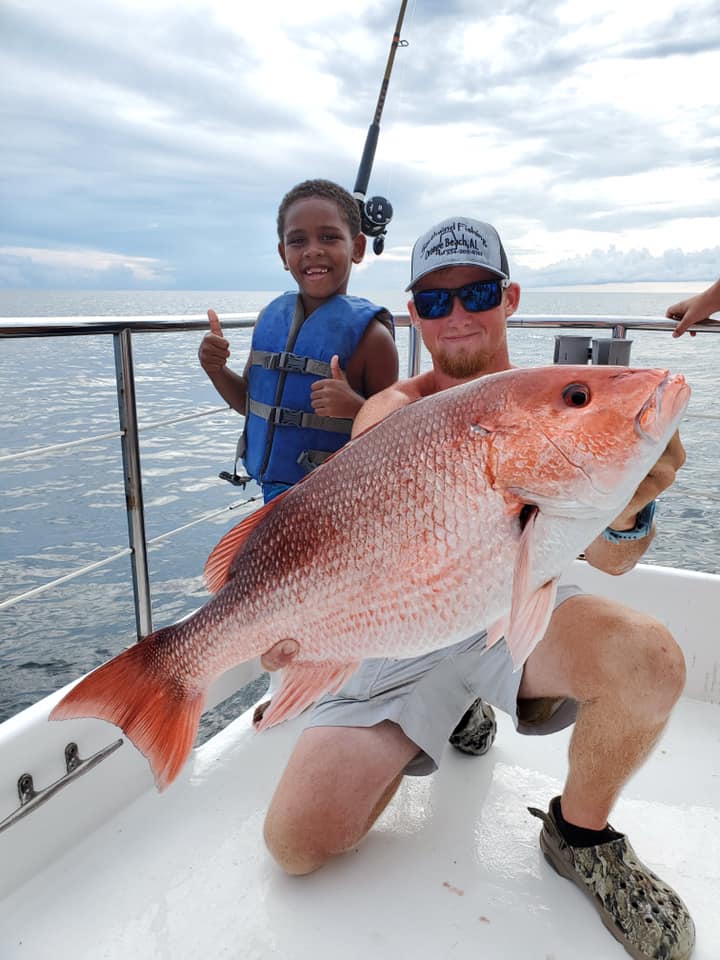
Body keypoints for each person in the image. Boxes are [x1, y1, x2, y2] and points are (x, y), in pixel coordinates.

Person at [259, 217, 694, 960]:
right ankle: (449, 711)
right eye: (435, 301)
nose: (457, 314)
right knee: (296, 845)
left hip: (506, 605)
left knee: (649, 659)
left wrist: (629, 505)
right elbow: (356, 543)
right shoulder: (391, 413)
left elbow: (616, 562)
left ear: (510, 298)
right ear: (413, 316)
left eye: (478, 293)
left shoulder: (554, 408)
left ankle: (580, 835)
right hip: (403, 621)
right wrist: (301, 628)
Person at [199, 178, 399, 504]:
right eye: (297, 240)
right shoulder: (268, 319)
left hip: (342, 503)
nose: (313, 250)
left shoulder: (374, 339)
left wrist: (356, 409)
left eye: (329, 237)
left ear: (358, 248)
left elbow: (394, 441)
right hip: (273, 499)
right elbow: (249, 403)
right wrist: (216, 370)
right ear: (283, 253)